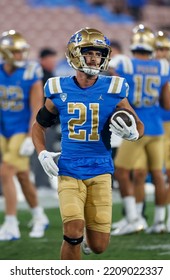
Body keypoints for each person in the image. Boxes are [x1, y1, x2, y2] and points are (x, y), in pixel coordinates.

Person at [32, 27, 144, 260]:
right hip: (70, 168)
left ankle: (86, 243)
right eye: (89, 53)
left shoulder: (114, 88)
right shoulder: (59, 88)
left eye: (98, 54)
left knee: (99, 246)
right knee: (72, 233)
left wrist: (133, 133)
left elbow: (138, 124)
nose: (95, 58)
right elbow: (39, 125)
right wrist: (42, 153)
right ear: (75, 54)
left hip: (101, 169)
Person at [109, 24, 170, 235]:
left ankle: (133, 218)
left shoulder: (124, 63)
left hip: (136, 128)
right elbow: (166, 104)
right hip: (157, 128)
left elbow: (110, 75)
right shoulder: (162, 67)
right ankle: (160, 221)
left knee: (121, 171)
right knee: (157, 175)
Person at [0, 30, 49, 241]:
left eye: (22, 51)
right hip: (2, 129)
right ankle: (39, 216)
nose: (21, 56)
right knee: (21, 175)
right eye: (17, 52)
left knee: (5, 172)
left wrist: (32, 135)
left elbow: (36, 106)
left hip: (21, 129)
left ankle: (11, 223)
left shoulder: (31, 72)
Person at [30, 47, 60, 189]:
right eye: (51, 59)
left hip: (49, 120)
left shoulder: (49, 74)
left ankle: (44, 182)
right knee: (42, 150)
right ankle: (41, 183)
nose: (53, 62)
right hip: (43, 120)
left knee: (46, 150)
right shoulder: (40, 75)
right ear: (43, 59)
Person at [154, 31, 170, 232]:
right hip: (153, 125)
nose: (161, 53)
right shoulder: (150, 70)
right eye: (158, 49)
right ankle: (158, 219)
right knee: (151, 172)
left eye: (164, 49)